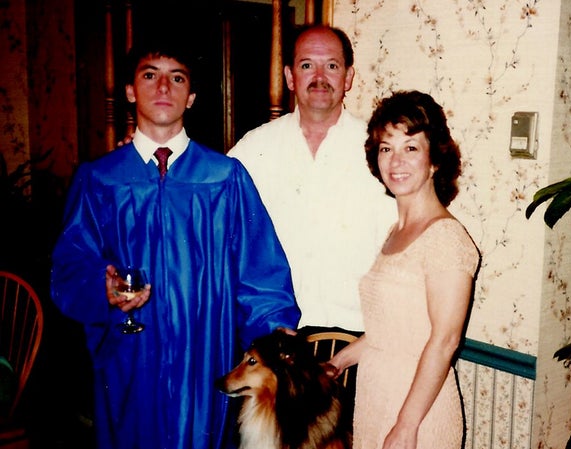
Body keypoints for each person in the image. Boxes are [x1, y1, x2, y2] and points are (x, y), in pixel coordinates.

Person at [50, 38, 300, 449]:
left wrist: (276, 337)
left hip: (206, 358)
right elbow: (70, 266)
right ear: (130, 91)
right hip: (129, 356)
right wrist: (103, 287)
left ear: (192, 96)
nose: (163, 87)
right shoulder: (100, 180)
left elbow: (261, 272)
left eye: (177, 78)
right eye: (150, 75)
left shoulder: (225, 179)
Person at [327, 90, 480, 449]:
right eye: (386, 148)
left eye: (410, 147)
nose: (395, 160)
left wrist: (406, 426)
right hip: (376, 398)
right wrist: (338, 363)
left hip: (418, 412)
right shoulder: (394, 232)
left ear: (434, 160)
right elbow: (390, 333)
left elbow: (445, 342)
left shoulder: (448, 237)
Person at [227, 24, 396, 338]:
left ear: (348, 78)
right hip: (276, 338)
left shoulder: (382, 149)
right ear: (290, 77)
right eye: (307, 65)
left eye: (331, 66)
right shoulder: (253, 150)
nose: (320, 77)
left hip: (359, 337)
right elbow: (208, 212)